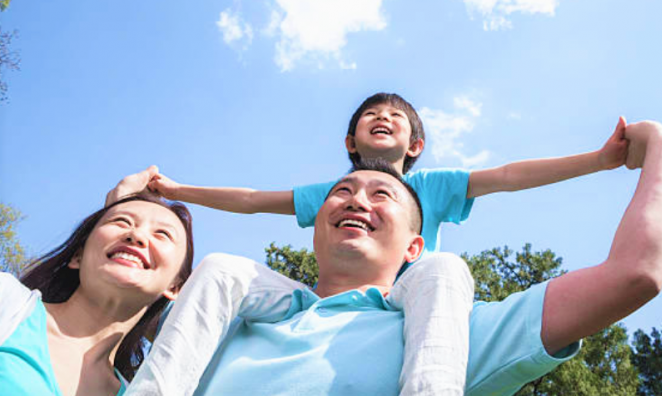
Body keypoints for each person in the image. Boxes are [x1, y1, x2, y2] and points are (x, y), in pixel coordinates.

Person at [118, 93, 630, 396]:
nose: (381, 117)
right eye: (369, 114)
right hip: (321, 301)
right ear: (350, 143)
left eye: (395, 116)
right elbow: (252, 199)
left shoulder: (432, 188)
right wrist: (176, 191)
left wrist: (598, 159)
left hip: (401, 305)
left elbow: (508, 175)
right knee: (224, 268)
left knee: (442, 270)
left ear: (415, 146)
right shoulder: (334, 196)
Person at [0, 193, 195, 396]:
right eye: (121, 221)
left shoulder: (138, 392)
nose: (136, 235)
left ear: (174, 287)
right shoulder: (7, 301)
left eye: (163, 234)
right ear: (78, 256)